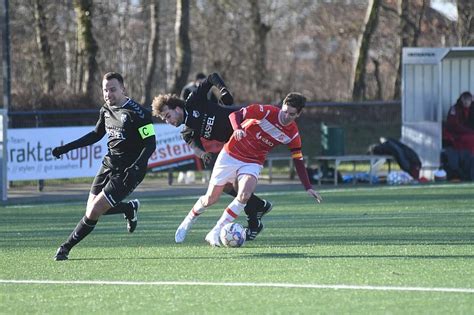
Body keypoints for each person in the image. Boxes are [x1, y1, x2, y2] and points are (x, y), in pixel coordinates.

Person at [151, 73, 273, 243]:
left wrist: (223, 90)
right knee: (228, 187)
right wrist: (203, 154)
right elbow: (194, 146)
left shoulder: (194, 101)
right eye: (164, 119)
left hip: (245, 131)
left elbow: (211, 77)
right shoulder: (187, 131)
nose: (167, 121)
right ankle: (257, 211)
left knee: (238, 186)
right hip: (234, 147)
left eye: (167, 116)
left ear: (177, 109)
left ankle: (256, 212)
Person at [52, 72, 157, 261]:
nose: (109, 94)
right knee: (91, 208)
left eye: (113, 89)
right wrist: (66, 148)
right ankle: (128, 208)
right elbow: (95, 134)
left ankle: (65, 248)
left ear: (123, 89)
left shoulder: (139, 114)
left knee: (93, 211)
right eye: (105, 90)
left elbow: (151, 144)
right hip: (109, 165)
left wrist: (136, 167)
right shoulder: (106, 109)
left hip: (128, 172)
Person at [198, 92, 322, 246]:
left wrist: (308, 186)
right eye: (284, 111)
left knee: (243, 193)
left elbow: (298, 159)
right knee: (227, 188)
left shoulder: (293, 134)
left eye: (291, 114)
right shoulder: (267, 111)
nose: (285, 116)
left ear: (298, 114)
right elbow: (235, 115)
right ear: (282, 106)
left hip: (253, 162)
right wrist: (237, 129)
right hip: (235, 151)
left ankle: (218, 229)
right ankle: (259, 207)